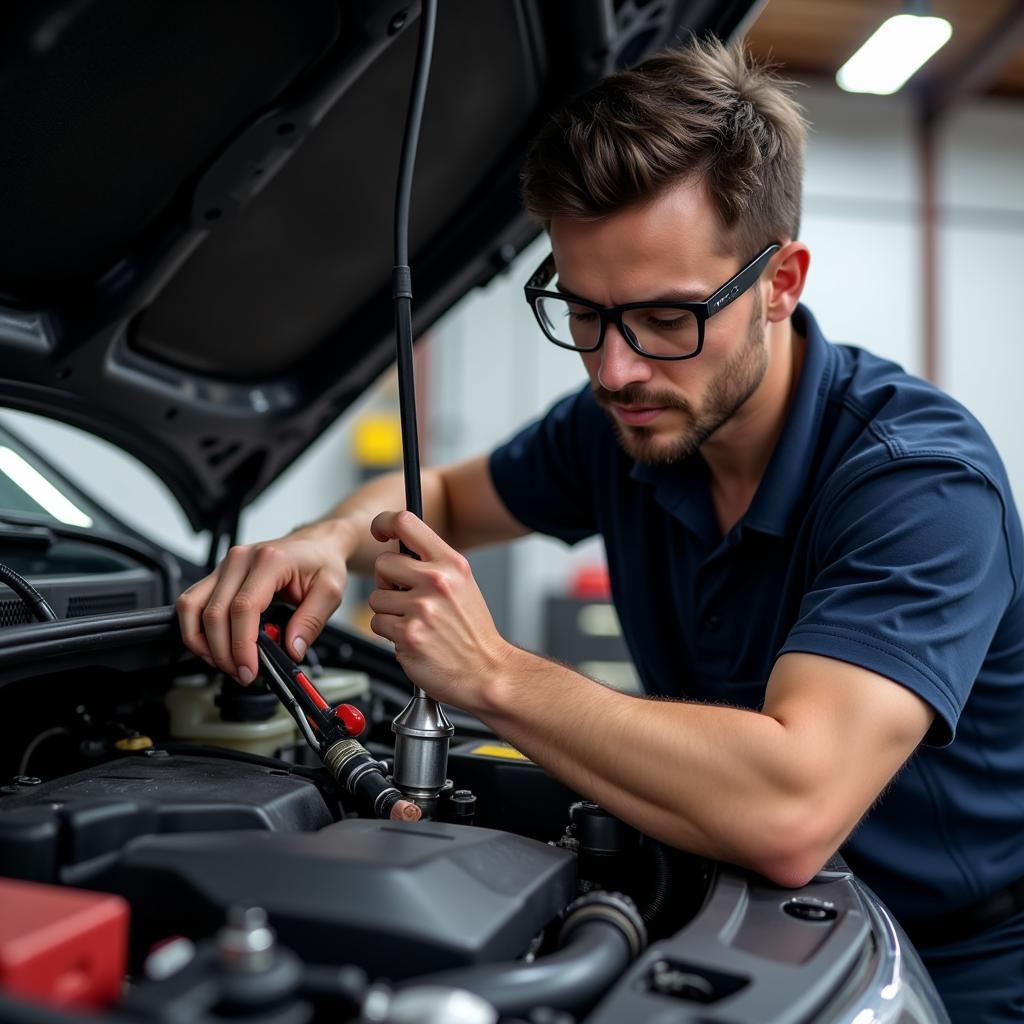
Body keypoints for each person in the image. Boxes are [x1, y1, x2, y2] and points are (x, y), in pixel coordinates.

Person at [177, 38, 1024, 1022]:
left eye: (666, 316)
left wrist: (491, 672)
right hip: (718, 904)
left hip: (943, 962)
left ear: (779, 283)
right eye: (584, 312)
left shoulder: (917, 482)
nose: (614, 368)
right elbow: (445, 497)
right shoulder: (630, 425)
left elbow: (791, 806)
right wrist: (324, 538)